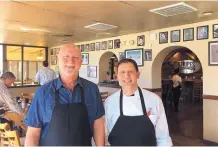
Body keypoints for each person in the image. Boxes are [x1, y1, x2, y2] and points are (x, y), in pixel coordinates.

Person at [24, 44, 105, 146]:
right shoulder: (43, 93)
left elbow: (98, 125)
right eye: (65, 57)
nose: (70, 62)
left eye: (75, 58)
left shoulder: (91, 89)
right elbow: (33, 134)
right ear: (58, 60)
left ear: (81, 62)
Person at [105, 59, 172, 146]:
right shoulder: (109, 102)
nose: (126, 76)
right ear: (116, 76)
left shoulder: (154, 99)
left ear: (138, 74)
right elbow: (105, 136)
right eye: (122, 72)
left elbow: (163, 136)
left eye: (130, 71)